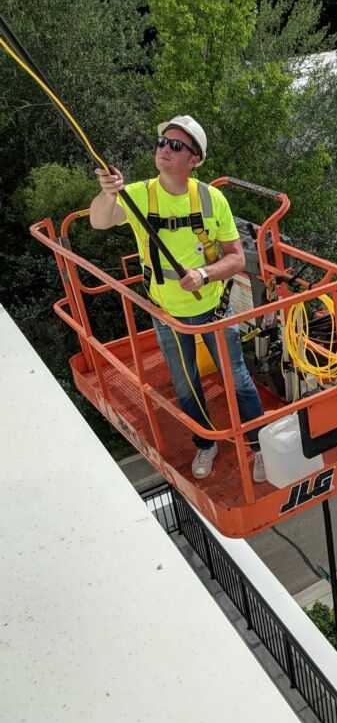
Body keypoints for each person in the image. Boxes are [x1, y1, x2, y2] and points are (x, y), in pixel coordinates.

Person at [90, 114, 266, 483]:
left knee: (235, 378)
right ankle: (206, 442)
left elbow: (235, 257)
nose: (165, 150)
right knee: (186, 385)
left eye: (176, 145)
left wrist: (204, 274)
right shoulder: (139, 195)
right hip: (168, 313)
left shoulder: (210, 198)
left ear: (194, 159)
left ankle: (258, 443)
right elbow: (100, 221)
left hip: (213, 308)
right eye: (162, 143)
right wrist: (109, 192)